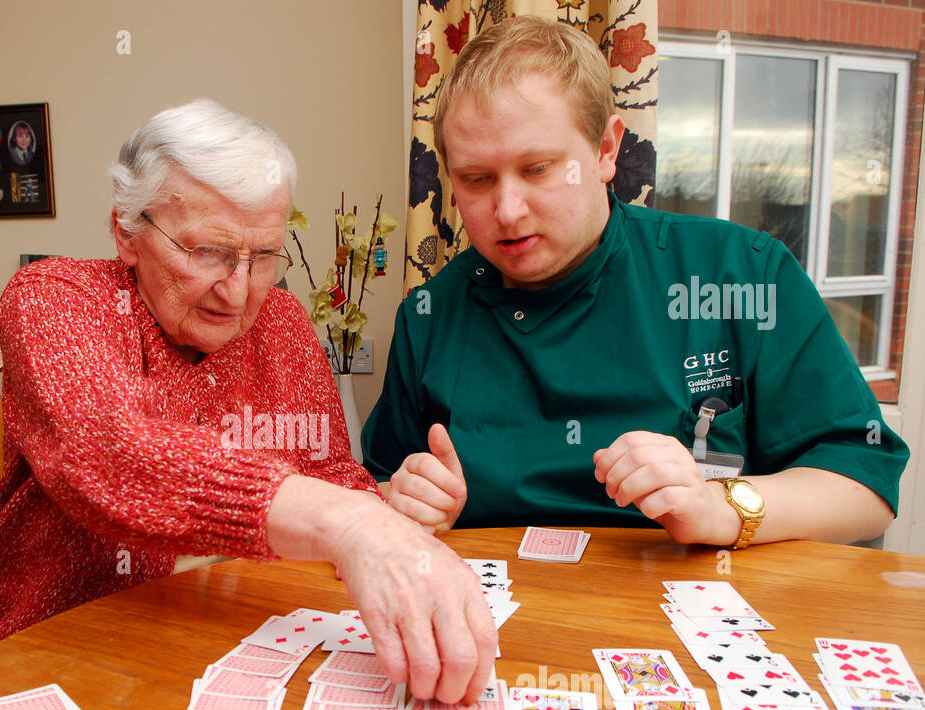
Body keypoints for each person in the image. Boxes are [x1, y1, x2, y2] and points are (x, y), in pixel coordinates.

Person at [0, 99, 496, 707]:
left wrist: (389, 505)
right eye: (209, 251)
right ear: (126, 231)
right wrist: (349, 522)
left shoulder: (282, 322)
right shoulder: (53, 299)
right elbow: (105, 452)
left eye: (263, 256)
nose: (239, 290)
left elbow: (330, 474)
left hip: (225, 645)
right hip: (56, 654)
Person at [363, 17, 908, 550]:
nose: (507, 210)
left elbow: (866, 487)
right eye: (476, 179)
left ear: (605, 150)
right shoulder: (429, 315)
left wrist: (720, 507)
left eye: (538, 169)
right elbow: (380, 488)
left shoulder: (740, 273)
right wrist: (409, 503)